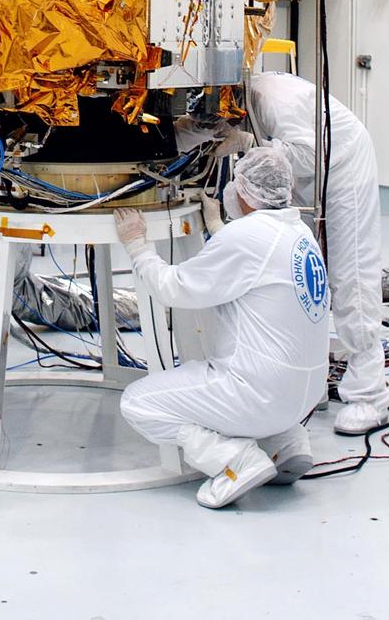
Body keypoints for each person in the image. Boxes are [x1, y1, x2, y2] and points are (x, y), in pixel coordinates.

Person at [115, 146, 329, 509]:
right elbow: (249, 266)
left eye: (235, 183)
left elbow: (174, 288)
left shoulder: (246, 238)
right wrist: (216, 227)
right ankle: (286, 446)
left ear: (243, 190)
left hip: (258, 395)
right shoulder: (300, 233)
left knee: (138, 404)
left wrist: (137, 246)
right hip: (305, 396)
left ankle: (234, 461)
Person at [249, 72, 389, 435]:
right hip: (302, 171)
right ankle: (307, 375)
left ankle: (369, 394)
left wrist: (254, 148)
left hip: (342, 160)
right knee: (296, 268)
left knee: (351, 273)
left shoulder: (272, 98)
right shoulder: (244, 104)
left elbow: (312, 152)